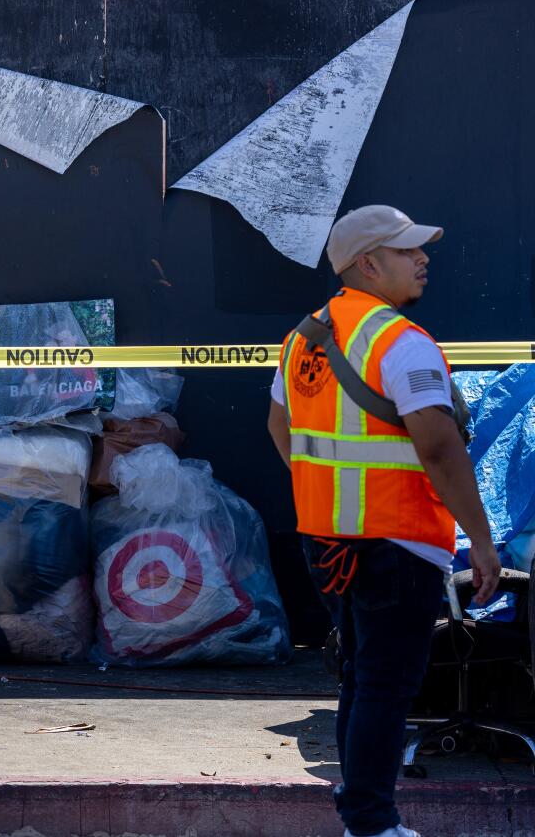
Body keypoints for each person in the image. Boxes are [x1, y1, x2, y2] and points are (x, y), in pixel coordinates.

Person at [267, 206, 501, 837]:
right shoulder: (400, 341)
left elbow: (279, 427)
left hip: (329, 543)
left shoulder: (304, 338)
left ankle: (362, 813)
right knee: (385, 687)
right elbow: (441, 447)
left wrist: (328, 492)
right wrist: (480, 541)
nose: (423, 258)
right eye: (407, 251)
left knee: (360, 680)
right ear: (367, 264)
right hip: (395, 544)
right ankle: (370, 823)